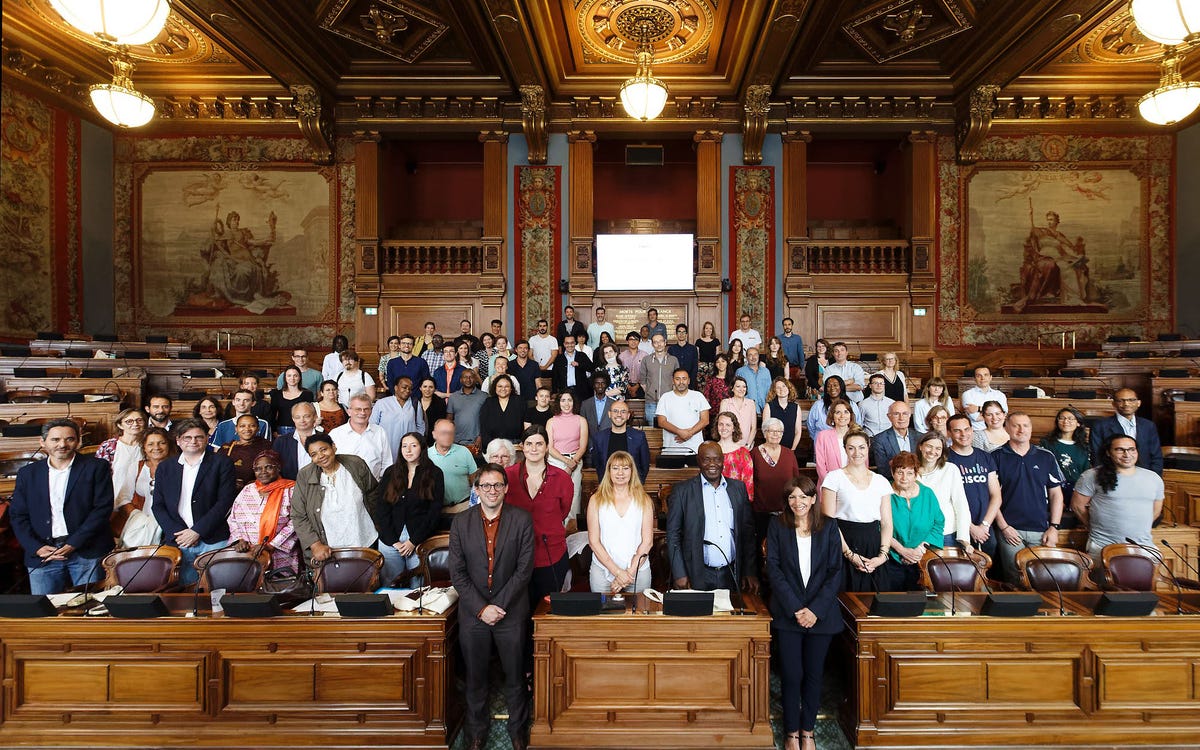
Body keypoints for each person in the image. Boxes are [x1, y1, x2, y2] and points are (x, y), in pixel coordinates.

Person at [449, 464, 534, 750]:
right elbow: (457, 573)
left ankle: (518, 731)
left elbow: (524, 570)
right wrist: (481, 608)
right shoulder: (461, 523)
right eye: (485, 486)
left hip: (511, 612)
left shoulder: (521, 520)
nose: (492, 491)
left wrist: (498, 605)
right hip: (474, 615)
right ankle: (476, 733)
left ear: (506, 488)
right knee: (475, 678)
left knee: (514, 676)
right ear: (476, 490)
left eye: (498, 485)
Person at [766, 476, 842, 750]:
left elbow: (835, 572)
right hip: (789, 614)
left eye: (802, 497)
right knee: (791, 673)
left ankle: (808, 730)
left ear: (813, 499)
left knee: (813, 674)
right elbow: (773, 570)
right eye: (791, 497)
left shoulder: (830, 527)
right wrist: (797, 608)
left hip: (821, 616)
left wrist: (815, 610)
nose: (797, 502)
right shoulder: (777, 526)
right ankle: (791, 732)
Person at [9, 419, 114, 595]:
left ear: (78, 441)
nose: (62, 445)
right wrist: (36, 547)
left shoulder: (96, 467)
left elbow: (102, 509)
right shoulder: (28, 473)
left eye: (69, 439)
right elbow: (18, 515)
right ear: (42, 442)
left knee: (90, 610)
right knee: (45, 612)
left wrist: (74, 543)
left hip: (86, 551)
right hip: (43, 554)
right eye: (55, 440)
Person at [153, 418, 237, 585]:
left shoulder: (222, 463)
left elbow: (224, 502)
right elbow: (158, 506)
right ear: (178, 440)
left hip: (212, 539)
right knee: (185, 594)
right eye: (187, 437)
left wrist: (197, 531)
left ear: (207, 438)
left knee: (218, 590)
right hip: (179, 540)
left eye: (199, 437)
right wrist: (178, 533)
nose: (193, 441)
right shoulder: (165, 467)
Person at [666, 441, 759, 593]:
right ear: (698, 461)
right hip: (697, 573)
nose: (712, 464)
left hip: (731, 573)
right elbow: (673, 535)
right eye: (706, 459)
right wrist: (679, 573)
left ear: (723, 461)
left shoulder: (738, 489)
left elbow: (747, 534)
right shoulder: (682, 491)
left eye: (717, 459)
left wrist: (749, 570)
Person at [505, 426, 574, 615]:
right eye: (529, 444)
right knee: (518, 614)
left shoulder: (562, 478)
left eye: (539, 444)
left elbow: (563, 511)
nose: (534, 449)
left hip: (552, 554)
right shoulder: (507, 476)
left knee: (548, 613)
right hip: (516, 557)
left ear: (547, 447)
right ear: (522, 447)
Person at [992, 412, 1065, 584]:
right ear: (1007, 428)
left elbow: (1056, 494)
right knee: (1015, 579)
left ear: (1031, 429)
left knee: (1041, 579)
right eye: (1016, 425)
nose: (1021, 429)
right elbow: (991, 497)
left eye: (1026, 425)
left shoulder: (1046, 456)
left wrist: (1054, 527)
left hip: (1041, 530)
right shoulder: (995, 456)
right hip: (1010, 530)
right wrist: (1004, 527)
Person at [289, 433, 380, 568]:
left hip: (363, 540)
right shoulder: (305, 475)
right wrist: (315, 544)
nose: (320, 456)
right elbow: (298, 515)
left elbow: (374, 495)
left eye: (324, 449)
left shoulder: (355, 464)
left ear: (333, 447)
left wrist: (380, 526)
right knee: (333, 586)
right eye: (314, 454)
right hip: (328, 548)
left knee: (366, 584)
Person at [821, 430, 893, 592]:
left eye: (861, 447)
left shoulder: (880, 481)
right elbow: (828, 520)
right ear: (845, 449)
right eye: (851, 448)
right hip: (841, 542)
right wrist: (849, 554)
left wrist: (882, 556)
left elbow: (887, 523)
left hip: (873, 545)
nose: (857, 453)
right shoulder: (834, 478)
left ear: (868, 448)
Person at [1071, 434, 1165, 555]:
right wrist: (1094, 526)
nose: (1127, 454)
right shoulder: (1091, 475)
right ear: (1108, 452)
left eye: (1132, 449)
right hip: (1103, 546)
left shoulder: (1153, 478)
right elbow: (1077, 506)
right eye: (1120, 450)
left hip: (1143, 547)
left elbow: (1156, 510)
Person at [375, 432, 444, 584]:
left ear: (422, 448)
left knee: (417, 588)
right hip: (391, 540)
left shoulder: (435, 473)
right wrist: (394, 541)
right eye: (404, 446)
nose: (408, 450)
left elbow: (434, 512)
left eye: (413, 446)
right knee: (391, 586)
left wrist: (413, 541)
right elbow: (381, 508)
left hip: (419, 540)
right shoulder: (390, 472)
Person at [586, 451, 654, 594]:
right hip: (603, 571)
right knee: (603, 615)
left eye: (625, 468)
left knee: (639, 615)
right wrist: (617, 572)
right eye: (615, 468)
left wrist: (628, 573)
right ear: (608, 471)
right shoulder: (596, 500)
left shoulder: (645, 500)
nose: (620, 473)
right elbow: (593, 541)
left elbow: (647, 542)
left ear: (632, 471)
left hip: (638, 571)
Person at [226, 448, 299, 574]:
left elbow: (296, 521)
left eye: (268, 467)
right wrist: (239, 540)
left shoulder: (291, 489)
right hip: (247, 553)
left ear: (278, 468)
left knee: (280, 589)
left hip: (279, 554)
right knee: (249, 586)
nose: (263, 472)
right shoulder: (248, 490)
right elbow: (233, 518)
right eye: (258, 469)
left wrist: (270, 546)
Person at [885, 451, 945, 590]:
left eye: (910, 473)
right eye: (900, 472)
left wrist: (919, 549)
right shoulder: (884, 493)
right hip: (890, 559)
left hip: (921, 559)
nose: (904, 478)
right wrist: (902, 550)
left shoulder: (927, 493)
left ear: (916, 474)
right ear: (893, 473)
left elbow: (938, 522)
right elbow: (878, 527)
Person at [945, 415, 1002, 558]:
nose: (963, 434)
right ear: (949, 433)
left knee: (986, 572)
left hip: (985, 527)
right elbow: (945, 499)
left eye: (967, 429)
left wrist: (985, 525)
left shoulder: (985, 457)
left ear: (972, 430)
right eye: (957, 431)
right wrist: (970, 527)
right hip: (956, 528)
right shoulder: (944, 458)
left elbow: (996, 495)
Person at [916, 431, 972, 550]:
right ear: (920, 446)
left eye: (938, 448)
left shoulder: (950, 469)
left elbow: (961, 505)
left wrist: (965, 540)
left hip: (945, 533)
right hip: (916, 535)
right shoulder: (910, 471)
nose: (932, 452)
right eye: (929, 446)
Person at [751, 417, 802, 545]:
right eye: (771, 431)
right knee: (762, 547)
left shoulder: (789, 454)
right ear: (764, 433)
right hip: (762, 512)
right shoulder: (755, 454)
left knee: (785, 547)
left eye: (779, 431)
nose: (775, 434)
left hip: (786, 512)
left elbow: (797, 481)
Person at [1088, 389, 1164, 475]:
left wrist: (1154, 477)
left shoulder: (1148, 425)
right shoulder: (1100, 426)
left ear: (1139, 403)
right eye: (1121, 400)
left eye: (1131, 400)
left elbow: (1156, 456)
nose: (1126, 404)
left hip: (1144, 475)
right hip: (1112, 477)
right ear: (1113, 404)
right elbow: (1097, 456)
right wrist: (1106, 479)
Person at [117, 426, 170, 548]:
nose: (156, 447)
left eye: (162, 443)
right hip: (140, 522)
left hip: (168, 524)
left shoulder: (177, 467)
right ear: (144, 448)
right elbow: (123, 498)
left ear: (168, 445)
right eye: (150, 444)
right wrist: (140, 520)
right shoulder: (136, 466)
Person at [329, 392, 394, 480]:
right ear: (349, 411)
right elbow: (329, 463)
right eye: (358, 409)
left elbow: (387, 462)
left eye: (366, 409)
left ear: (371, 411)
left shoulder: (379, 432)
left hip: (374, 489)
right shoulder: (336, 434)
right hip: (344, 489)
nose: (362, 413)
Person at [1040, 407, 1091, 516]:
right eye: (1062, 418)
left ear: (1078, 423)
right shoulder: (1047, 444)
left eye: (1070, 419)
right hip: (1053, 489)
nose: (1066, 421)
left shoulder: (1084, 447)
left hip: (1077, 490)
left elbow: (1086, 473)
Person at [547, 391, 588, 519]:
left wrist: (571, 464)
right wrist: (565, 461)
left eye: (569, 400)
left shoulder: (581, 420)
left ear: (574, 402)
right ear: (558, 403)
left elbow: (583, 446)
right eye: (563, 400)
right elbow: (549, 447)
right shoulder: (551, 421)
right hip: (555, 461)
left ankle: (571, 528)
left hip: (575, 461)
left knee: (574, 495)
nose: (566, 403)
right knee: (555, 494)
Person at [96, 408, 145, 508]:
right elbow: (99, 476)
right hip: (113, 499)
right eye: (129, 421)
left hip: (141, 500)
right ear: (120, 425)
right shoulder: (109, 446)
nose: (135, 424)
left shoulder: (149, 446)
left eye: (139, 420)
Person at [590, 399, 650, 483]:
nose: (619, 415)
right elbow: (598, 466)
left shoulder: (639, 437)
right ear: (609, 414)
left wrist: (636, 487)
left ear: (628, 415)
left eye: (623, 411)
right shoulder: (599, 438)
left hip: (632, 489)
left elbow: (644, 466)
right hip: (607, 488)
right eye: (615, 411)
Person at [429, 419, 477, 517]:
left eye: (451, 433)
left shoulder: (464, 452)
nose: (447, 436)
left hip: (463, 506)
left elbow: (475, 481)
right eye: (443, 432)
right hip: (436, 509)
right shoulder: (426, 455)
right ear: (434, 434)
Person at [656, 368, 711, 456]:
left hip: (695, 448)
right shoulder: (665, 397)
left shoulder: (698, 396)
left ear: (689, 381)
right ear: (673, 381)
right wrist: (679, 432)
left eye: (684, 379)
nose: (681, 382)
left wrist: (689, 434)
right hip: (671, 449)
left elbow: (705, 420)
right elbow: (661, 422)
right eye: (677, 379)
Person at [370, 376, 425, 461]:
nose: (407, 391)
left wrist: (416, 443)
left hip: (409, 452)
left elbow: (420, 426)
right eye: (404, 387)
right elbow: (372, 426)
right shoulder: (381, 404)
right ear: (396, 388)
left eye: (410, 389)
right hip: (386, 449)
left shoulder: (415, 404)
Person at [218, 413, 273, 490]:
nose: (247, 429)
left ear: (258, 428)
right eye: (242, 426)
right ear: (236, 429)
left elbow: (272, 472)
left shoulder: (266, 446)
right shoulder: (226, 448)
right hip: (228, 489)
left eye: (252, 426)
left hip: (257, 490)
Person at [869, 401, 920, 481]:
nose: (901, 418)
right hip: (893, 484)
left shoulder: (920, 437)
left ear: (910, 415)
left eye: (905, 413)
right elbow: (883, 471)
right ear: (889, 417)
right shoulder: (879, 440)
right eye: (896, 414)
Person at [815, 399, 859, 489]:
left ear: (850, 415)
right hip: (829, 486)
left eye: (846, 412)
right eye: (838, 412)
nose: (842, 416)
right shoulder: (823, 436)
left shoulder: (858, 436)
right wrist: (831, 486)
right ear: (832, 416)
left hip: (854, 485)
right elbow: (820, 466)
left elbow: (863, 464)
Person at [273, 401, 320, 480]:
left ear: (315, 417)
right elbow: (275, 467)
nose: (302, 420)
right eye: (297, 417)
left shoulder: (325, 439)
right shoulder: (281, 441)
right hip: (290, 487)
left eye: (306, 416)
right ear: (293, 419)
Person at [639, 333, 679, 426]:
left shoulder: (673, 360)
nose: (659, 344)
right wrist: (650, 392)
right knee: (653, 430)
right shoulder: (646, 360)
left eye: (661, 341)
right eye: (655, 342)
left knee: (670, 429)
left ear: (665, 342)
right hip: (651, 402)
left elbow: (676, 381)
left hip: (669, 402)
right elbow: (643, 381)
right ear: (652, 344)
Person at [713, 411, 755, 500]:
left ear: (734, 428)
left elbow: (748, 481)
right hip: (714, 498)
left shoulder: (743, 452)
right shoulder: (711, 450)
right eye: (721, 424)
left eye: (728, 425)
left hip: (736, 499)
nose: (724, 428)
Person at [479, 374, 526, 448]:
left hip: (516, 444)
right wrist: (489, 445)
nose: (503, 389)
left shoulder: (520, 401)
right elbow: (484, 428)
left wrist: (524, 441)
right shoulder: (489, 402)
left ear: (511, 388)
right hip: (493, 444)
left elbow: (526, 424)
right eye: (500, 386)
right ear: (495, 388)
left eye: (506, 386)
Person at [447, 368, 487, 452]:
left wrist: (481, 436)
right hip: (457, 442)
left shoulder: (484, 396)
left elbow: (488, 420)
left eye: (471, 377)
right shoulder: (453, 397)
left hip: (476, 442)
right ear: (461, 380)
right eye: (465, 377)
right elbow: (449, 419)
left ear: (475, 379)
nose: (468, 379)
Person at [269, 365, 315, 436]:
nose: (292, 378)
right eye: (289, 375)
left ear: (299, 377)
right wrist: (274, 431)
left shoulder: (307, 394)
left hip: (302, 428)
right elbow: (272, 415)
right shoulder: (276, 394)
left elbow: (311, 413)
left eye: (295, 375)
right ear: (285, 378)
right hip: (282, 429)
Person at [763, 377, 804, 457]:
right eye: (778, 387)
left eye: (784, 386)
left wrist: (792, 450)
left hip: (791, 449)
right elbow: (766, 431)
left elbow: (798, 431)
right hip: (773, 449)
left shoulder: (795, 407)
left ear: (788, 388)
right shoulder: (769, 406)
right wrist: (774, 449)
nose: (781, 389)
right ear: (774, 391)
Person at [960, 366, 1008, 431]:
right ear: (974, 378)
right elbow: (976, 418)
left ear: (990, 377)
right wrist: (995, 414)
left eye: (986, 375)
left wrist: (978, 408)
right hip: (977, 432)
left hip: (997, 431)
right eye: (979, 376)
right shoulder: (967, 394)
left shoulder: (1000, 395)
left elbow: (1003, 416)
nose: (983, 378)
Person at [550, 334, 593, 403]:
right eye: (567, 343)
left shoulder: (582, 355)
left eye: (572, 343)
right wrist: (554, 391)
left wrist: (579, 364)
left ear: (575, 343)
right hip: (564, 391)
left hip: (581, 391)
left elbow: (592, 368)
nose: (570, 345)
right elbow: (555, 375)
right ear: (564, 344)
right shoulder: (559, 358)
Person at [719, 376, 758, 449]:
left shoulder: (751, 403)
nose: (741, 389)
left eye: (744, 387)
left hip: (746, 446)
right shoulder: (725, 403)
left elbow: (754, 428)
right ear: (732, 388)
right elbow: (721, 426)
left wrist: (748, 445)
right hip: (728, 446)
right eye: (738, 386)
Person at [735, 347, 773, 411]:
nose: (753, 357)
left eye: (755, 354)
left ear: (758, 356)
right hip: (747, 408)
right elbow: (737, 391)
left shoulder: (766, 371)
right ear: (746, 357)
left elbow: (770, 389)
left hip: (765, 408)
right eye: (750, 355)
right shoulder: (740, 372)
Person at [582, 372, 614, 446]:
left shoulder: (613, 404)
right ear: (593, 385)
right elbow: (582, 428)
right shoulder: (585, 404)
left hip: (609, 443)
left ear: (606, 385)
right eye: (597, 383)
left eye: (603, 383)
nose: (600, 386)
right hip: (590, 445)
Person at [415, 376, 447, 441]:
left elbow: (441, 423)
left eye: (431, 387)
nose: (427, 389)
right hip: (417, 438)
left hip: (434, 439)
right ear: (420, 388)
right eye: (425, 386)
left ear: (435, 389)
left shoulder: (440, 403)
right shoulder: (414, 402)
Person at [619, 332, 648, 398]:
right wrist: (628, 386)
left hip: (641, 386)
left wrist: (637, 386)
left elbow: (647, 372)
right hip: (625, 386)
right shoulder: (621, 356)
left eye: (636, 339)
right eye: (631, 339)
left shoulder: (645, 355)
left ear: (639, 342)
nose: (633, 342)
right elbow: (620, 373)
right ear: (627, 341)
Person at [695, 321, 722, 387]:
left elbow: (717, 356)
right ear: (704, 330)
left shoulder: (716, 341)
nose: (708, 330)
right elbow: (697, 356)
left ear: (712, 330)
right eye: (706, 328)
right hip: (701, 367)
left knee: (712, 386)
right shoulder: (698, 341)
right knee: (701, 386)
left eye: (710, 328)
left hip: (713, 367)